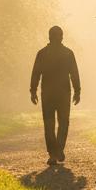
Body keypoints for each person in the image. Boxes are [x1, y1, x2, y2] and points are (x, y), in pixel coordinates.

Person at [29, 25, 81, 166]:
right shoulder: (68, 53)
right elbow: (74, 74)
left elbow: (36, 73)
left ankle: (54, 153)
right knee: (63, 122)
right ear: (62, 36)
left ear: (49, 37)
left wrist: (33, 90)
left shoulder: (42, 53)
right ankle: (58, 150)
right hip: (63, 93)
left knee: (49, 124)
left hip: (48, 94)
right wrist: (77, 91)